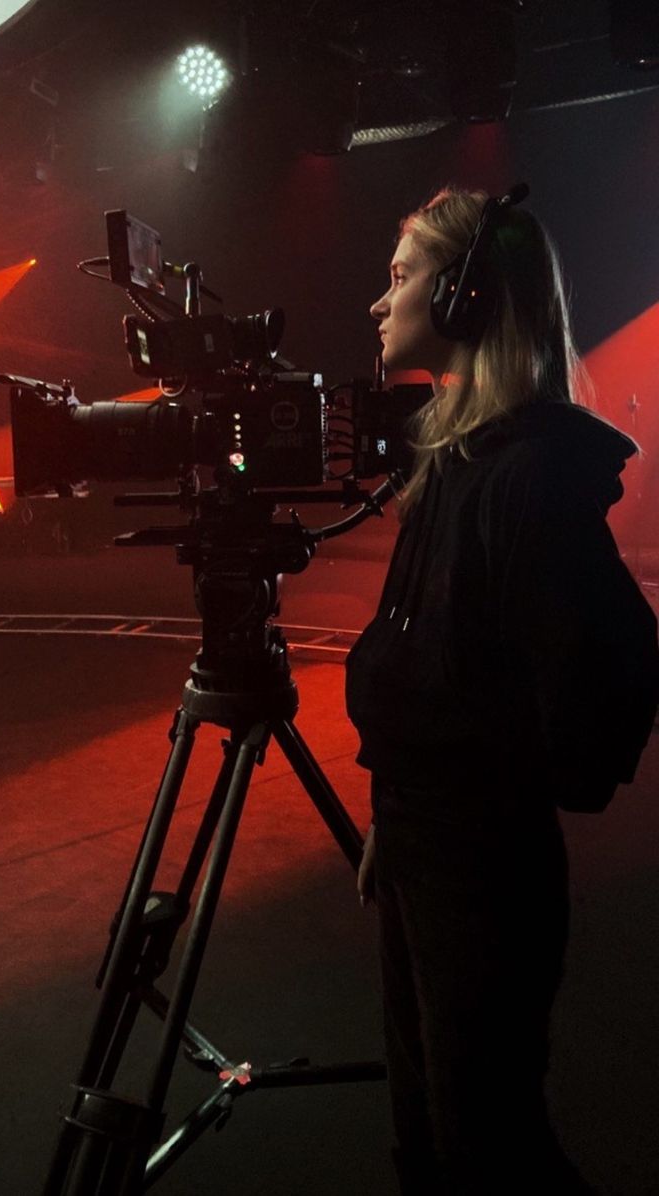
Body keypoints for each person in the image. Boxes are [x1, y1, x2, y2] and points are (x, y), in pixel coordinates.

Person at [345, 186, 659, 1195]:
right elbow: (433, 667)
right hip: (427, 846)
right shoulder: (456, 462)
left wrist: (481, 793)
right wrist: (403, 806)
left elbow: (610, 666)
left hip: (477, 870)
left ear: (468, 294)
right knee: (432, 1134)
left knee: (487, 1150)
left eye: (398, 277)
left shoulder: (524, 478)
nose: (375, 302)